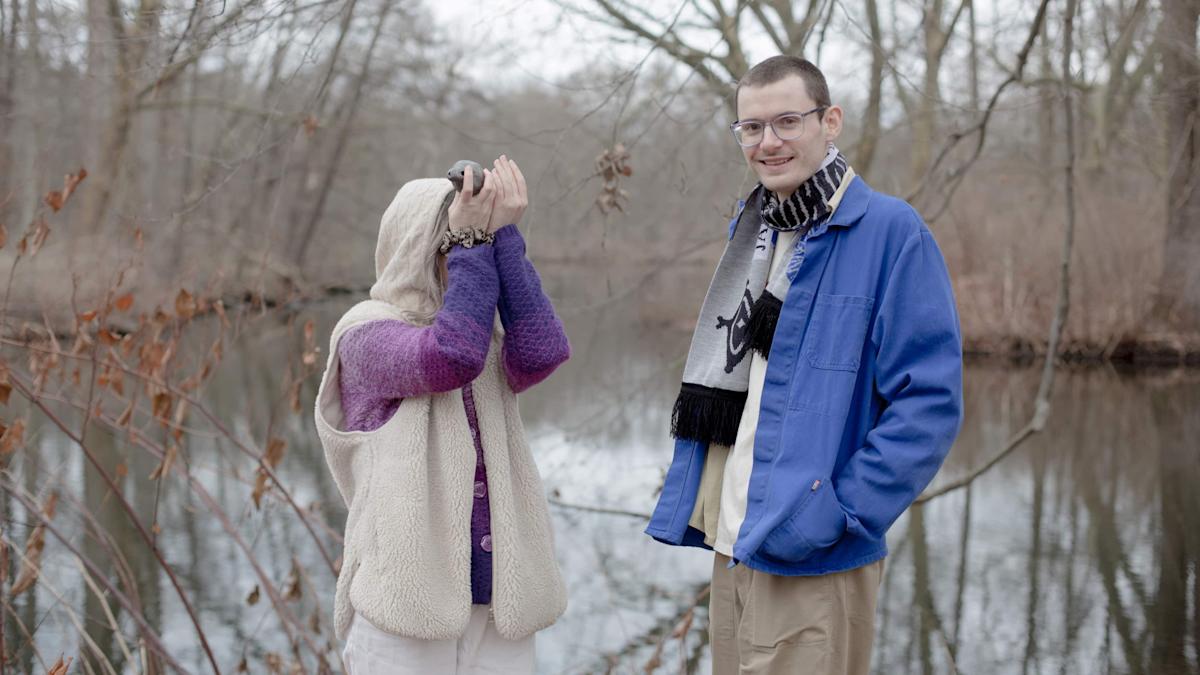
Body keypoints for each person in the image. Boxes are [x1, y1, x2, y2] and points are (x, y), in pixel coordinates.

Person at [645, 56, 964, 674]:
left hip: (812, 551)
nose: (768, 142)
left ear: (830, 121)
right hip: (736, 542)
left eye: (787, 121)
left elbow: (928, 404)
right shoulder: (754, 232)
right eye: (751, 127)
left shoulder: (892, 233)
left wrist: (835, 514)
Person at [313, 157, 569, 674]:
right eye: (450, 244)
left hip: (501, 599)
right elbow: (448, 359)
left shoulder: (484, 339)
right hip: (404, 603)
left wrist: (505, 236)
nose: (466, 258)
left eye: (477, 245)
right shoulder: (364, 333)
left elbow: (542, 351)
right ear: (417, 246)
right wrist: (470, 239)